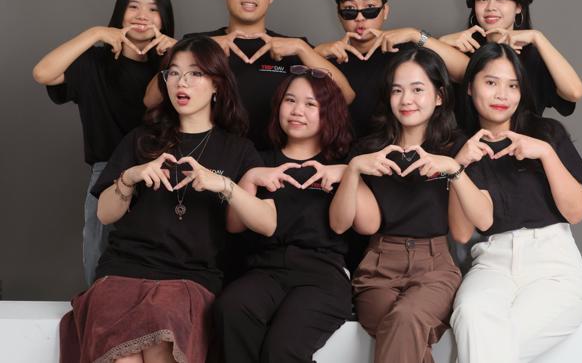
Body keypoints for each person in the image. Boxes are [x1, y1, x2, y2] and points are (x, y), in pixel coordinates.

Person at [58, 36, 271, 363]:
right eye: (173, 73)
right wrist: (130, 176)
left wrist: (224, 184)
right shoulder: (141, 139)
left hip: (189, 278)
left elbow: (267, 223)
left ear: (217, 84)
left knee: (162, 343)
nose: (181, 82)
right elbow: (105, 214)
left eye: (195, 73)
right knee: (123, 357)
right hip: (123, 271)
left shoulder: (238, 149)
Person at [329, 48, 487, 363]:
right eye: (397, 90)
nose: (406, 100)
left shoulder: (456, 147)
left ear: (439, 96)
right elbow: (345, 224)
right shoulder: (369, 150)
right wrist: (354, 169)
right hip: (377, 269)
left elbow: (471, 226)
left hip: (435, 269)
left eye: (417, 89)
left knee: (405, 319)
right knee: (404, 328)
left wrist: (453, 168)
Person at [449, 43, 582, 363]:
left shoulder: (547, 133)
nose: (502, 94)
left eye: (512, 85)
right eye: (491, 82)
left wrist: (545, 153)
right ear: (470, 87)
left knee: (492, 342)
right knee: (469, 313)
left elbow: (576, 212)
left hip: (554, 265)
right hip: (492, 263)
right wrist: (458, 167)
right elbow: (463, 232)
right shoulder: (461, 146)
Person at [32, 0, 176, 284]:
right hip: (106, 174)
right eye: (133, 6)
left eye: (153, 9)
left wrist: (179, 55)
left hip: (161, 174)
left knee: (160, 268)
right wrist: (96, 33)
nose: (142, 15)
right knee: (100, 263)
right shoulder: (95, 63)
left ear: (164, 19)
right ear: (120, 13)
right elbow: (42, 72)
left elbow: (215, 102)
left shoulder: (173, 68)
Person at [145, 0, 354, 151]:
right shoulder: (196, 44)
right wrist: (205, 49)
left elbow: (345, 96)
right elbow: (151, 100)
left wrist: (303, 48)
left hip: (274, 166)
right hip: (208, 161)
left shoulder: (293, 48)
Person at [214, 66, 353, 362]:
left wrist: (347, 172)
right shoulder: (258, 160)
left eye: (310, 104)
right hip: (265, 270)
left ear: (328, 113)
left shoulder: (343, 165)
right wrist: (250, 178)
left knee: (282, 347)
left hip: (321, 274)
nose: (297, 111)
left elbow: (360, 224)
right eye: (290, 100)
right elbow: (234, 226)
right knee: (232, 307)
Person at [315, 0, 469, 139]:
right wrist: (315, 53)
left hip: (398, 150)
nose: (360, 17)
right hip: (343, 152)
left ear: (385, 11)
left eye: (369, 8)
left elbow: (470, 72)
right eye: (350, 9)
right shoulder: (327, 59)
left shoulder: (407, 54)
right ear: (339, 14)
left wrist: (414, 34)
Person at [440, 0, 582, 118]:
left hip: (525, 135)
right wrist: (441, 43)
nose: (490, 7)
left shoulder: (534, 58)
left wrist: (537, 37)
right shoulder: (462, 51)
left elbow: (574, 93)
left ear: (518, 6)